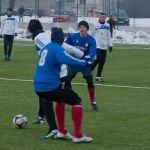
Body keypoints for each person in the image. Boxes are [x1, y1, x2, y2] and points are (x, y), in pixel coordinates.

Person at [28, 20, 86, 141]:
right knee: (75, 100)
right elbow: (68, 58)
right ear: (61, 39)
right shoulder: (56, 48)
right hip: (54, 80)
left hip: (38, 84)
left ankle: (56, 129)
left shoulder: (46, 47)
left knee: (49, 98)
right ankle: (78, 135)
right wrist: (85, 60)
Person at [65, 21, 98, 111]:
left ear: (87, 29)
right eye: (81, 27)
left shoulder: (91, 39)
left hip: (85, 64)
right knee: (67, 81)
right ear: (78, 28)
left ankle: (92, 101)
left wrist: (88, 58)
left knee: (90, 82)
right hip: (74, 63)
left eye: (84, 27)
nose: (82, 28)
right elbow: (65, 46)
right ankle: (71, 100)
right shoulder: (72, 37)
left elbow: (92, 52)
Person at [91, 12, 113, 82]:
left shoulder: (107, 25)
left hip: (104, 46)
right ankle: (89, 70)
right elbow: (91, 34)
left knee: (102, 62)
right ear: (99, 17)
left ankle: (98, 77)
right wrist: (90, 44)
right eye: (101, 17)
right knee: (97, 59)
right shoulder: (95, 25)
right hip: (97, 45)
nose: (102, 18)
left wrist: (110, 45)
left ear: (105, 18)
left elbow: (109, 36)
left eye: (103, 17)